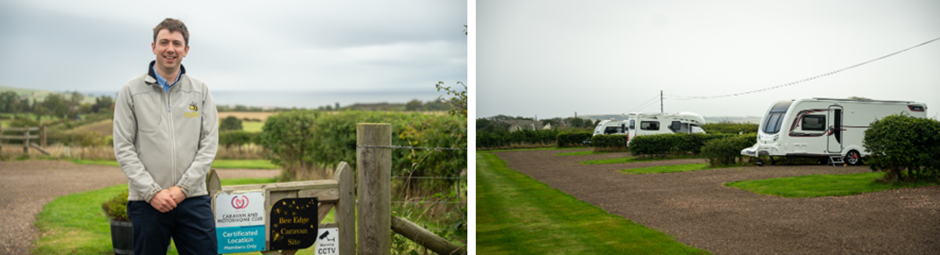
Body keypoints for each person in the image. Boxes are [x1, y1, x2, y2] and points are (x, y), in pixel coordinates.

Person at [113, 18, 219, 255]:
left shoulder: (200, 91)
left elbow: (209, 145)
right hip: (147, 202)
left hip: (193, 198)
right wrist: (152, 192)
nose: (170, 49)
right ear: (154, 47)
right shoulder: (130, 91)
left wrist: (183, 188)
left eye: (176, 43)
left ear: (186, 50)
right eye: (164, 42)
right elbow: (123, 148)